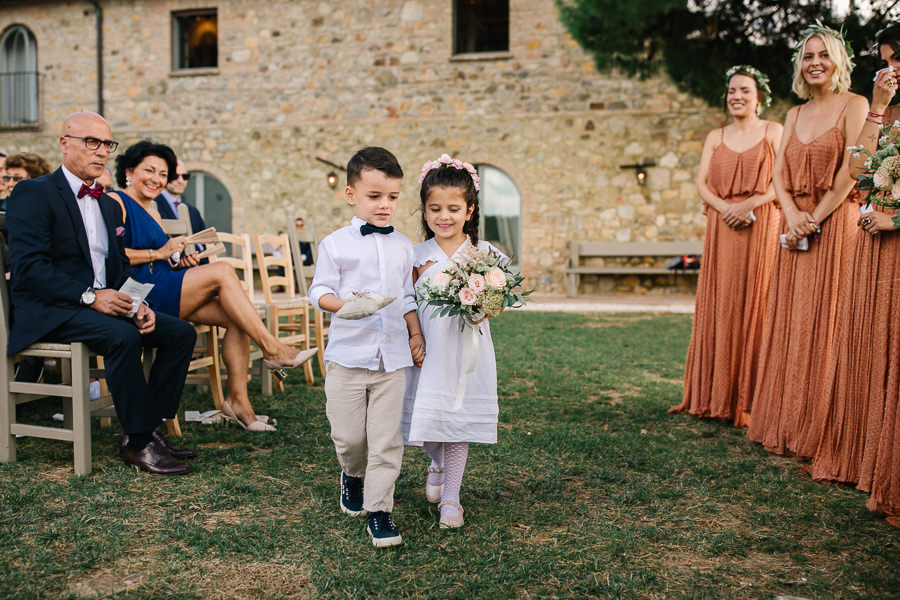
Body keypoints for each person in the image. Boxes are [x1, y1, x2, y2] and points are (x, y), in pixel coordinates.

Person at [5, 111, 198, 475]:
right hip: (51, 309)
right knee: (123, 336)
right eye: (90, 142)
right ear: (64, 143)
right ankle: (141, 443)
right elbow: (30, 269)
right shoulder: (35, 192)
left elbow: (119, 271)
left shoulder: (109, 204)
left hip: (96, 307)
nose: (100, 152)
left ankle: (146, 429)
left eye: (106, 144)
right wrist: (92, 297)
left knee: (179, 333)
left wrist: (138, 304)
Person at [111, 140, 317, 432]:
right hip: (140, 293)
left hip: (164, 282)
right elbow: (111, 256)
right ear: (130, 170)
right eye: (150, 171)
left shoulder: (155, 210)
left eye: (163, 174)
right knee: (222, 269)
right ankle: (273, 349)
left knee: (237, 318)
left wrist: (178, 261)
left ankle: (238, 405)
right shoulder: (116, 201)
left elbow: (161, 260)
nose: (157, 179)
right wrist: (158, 254)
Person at [747, 24, 867, 458]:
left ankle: (823, 430)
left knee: (830, 324)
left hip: (836, 226)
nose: (815, 63)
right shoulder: (793, 115)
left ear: (838, 60)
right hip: (796, 229)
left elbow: (851, 172)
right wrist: (794, 215)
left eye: (823, 55)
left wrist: (814, 217)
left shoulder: (856, 105)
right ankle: (787, 419)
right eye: (808, 56)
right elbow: (778, 174)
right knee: (793, 324)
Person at [308, 146, 425, 548]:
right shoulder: (335, 244)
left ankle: (380, 510)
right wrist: (345, 306)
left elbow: (408, 296)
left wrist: (415, 334)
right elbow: (319, 289)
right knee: (349, 437)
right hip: (347, 358)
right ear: (351, 194)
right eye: (375, 197)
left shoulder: (403, 246)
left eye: (392, 197)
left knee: (386, 439)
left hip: (392, 359)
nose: (385, 206)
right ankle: (351, 474)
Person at [812, 22, 900, 528]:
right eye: (886, 60)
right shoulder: (886, 112)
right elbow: (859, 167)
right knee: (877, 356)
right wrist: (879, 107)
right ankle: (877, 465)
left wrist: (895, 217)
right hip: (874, 249)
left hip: (894, 236)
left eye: (898, 59)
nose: (892, 69)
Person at [670, 66, 783, 426]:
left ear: (759, 97)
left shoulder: (774, 131)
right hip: (723, 228)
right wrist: (727, 209)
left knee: (759, 304)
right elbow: (702, 184)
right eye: (732, 90)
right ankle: (717, 395)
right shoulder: (715, 136)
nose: (737, 96)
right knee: (723, 304)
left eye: (745, 91)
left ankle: (753, 401)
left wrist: (750, 204)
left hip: (762, 223)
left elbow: (784, 181)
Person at [402, 154, 503, 529]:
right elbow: (406, 299)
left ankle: (452, 499)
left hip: (465, 352)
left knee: (457, 422)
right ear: (424, 211)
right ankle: (437, 462)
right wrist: (414, 334)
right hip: (428, 350)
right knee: (426, 419)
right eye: (434, 209)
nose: (443, 217)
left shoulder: (484, 255)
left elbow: (497, 302)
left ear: (469, 210)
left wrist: (483, 309)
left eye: (453, 209)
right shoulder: (416, 256)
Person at [158, 158, 207, 241]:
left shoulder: (193, 211)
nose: (180, 181)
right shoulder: (152, 206)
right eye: (175, 176)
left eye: (185, 176)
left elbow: (204, 241)